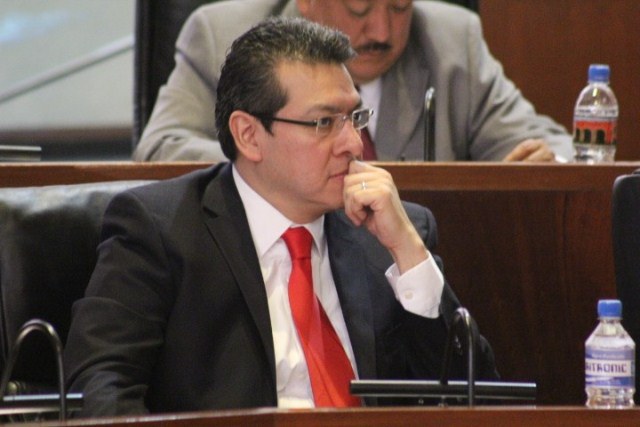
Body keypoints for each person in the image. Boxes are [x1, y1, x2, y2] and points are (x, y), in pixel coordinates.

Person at [65, 17, 498, 417]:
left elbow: (476, 398)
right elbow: (100, 388)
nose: (354, 144)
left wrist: (410, 253)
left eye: (355, 117)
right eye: (324, 122)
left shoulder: (388, 235)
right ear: (249, 135)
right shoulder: (161, 230)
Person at [133, 0, 573, 163]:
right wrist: (273, 165)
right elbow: (160, 147)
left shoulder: (452, 41)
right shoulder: (222, 37)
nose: (382, 31)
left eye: (399, 8)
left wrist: (546, 162)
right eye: (359, 10)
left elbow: (557, 147)